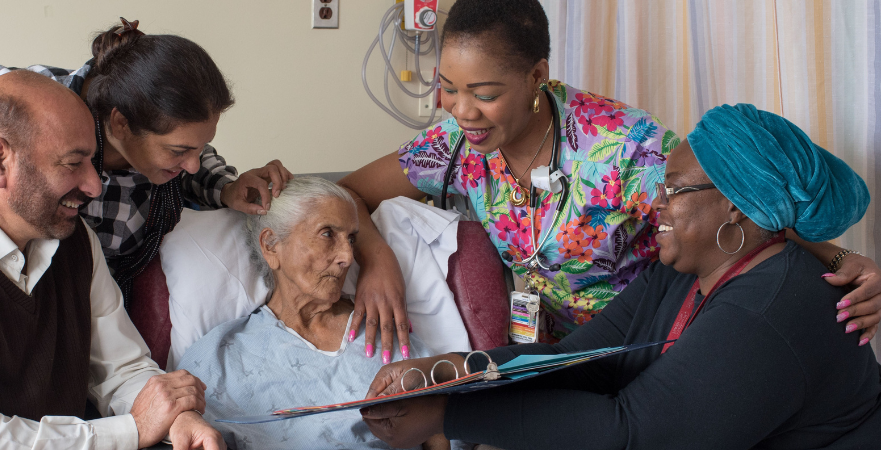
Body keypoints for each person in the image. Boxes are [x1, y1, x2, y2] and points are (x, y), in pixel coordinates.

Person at [337, 0, 881, 358]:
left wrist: (839, 259)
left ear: (535, 76)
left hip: (654, 341)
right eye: (448, 88)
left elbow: (739, 204)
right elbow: (349, 193)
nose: (461, 111)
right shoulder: (453, 147)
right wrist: (377, 263)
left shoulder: (621, 148)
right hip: (547, 351)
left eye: (484, 94)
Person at [360, 104, 881, 449]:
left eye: (672, 190)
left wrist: (445, 417)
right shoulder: (682, 273)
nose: (655, 204)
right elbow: (581, 361)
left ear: (735, 209)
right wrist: (453, 371)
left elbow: (635, 434)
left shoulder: (770, 310)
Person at [0, 71, 224, 449]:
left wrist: (176, 417)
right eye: (72, 163)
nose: (94, 185)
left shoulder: (76, 241)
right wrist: (134, 429)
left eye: (92, 161)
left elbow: (121, 368)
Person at [0, 18, 293, 306]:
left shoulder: (164, 152)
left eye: (197, 148)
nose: (190, 163)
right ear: (120, 122)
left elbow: (194, 164)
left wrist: (226, 187)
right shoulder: (21, 107)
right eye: (178, 151)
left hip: (94, 308)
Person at [175, 177, 456, 450]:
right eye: (327, 234)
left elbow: (442, 432)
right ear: (271, 245)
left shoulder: (381, 326)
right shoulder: (219, 356)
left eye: (352, 239)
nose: (347, 256)